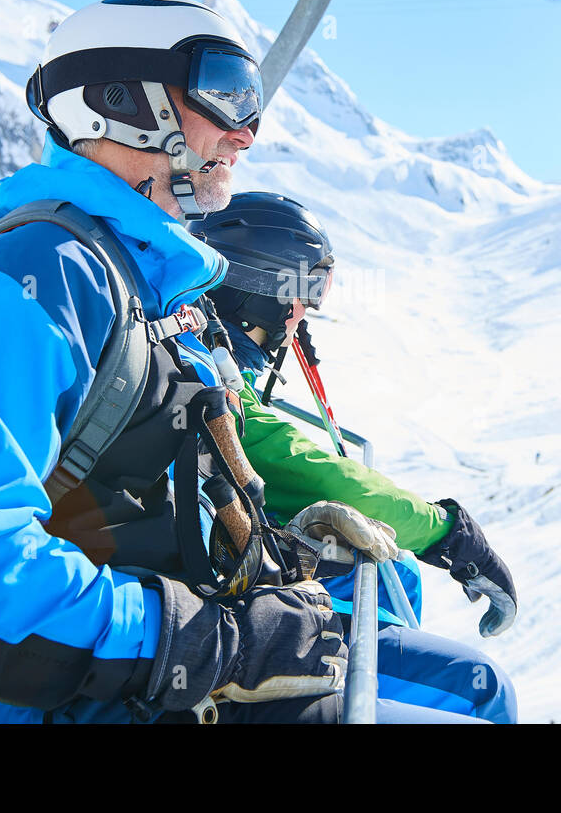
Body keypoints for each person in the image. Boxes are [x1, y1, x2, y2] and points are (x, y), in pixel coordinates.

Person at [0, 0, 349, 724]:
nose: (248, 131)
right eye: (225, 92)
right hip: (87, 701)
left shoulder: (143, 282)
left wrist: (281, 552)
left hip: (166, 684)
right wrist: (214, 643)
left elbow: (136, 507)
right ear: (118, 102)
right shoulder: (33, 274)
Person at [192, 192, 519, 722]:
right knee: (483, 691)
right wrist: (450, 534)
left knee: (399, 581)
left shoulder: (215, 364)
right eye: (306, 292)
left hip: (221, 604)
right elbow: (315, 470)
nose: (308, 310)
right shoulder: (217, 386)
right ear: (262, 292)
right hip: (220, 629)